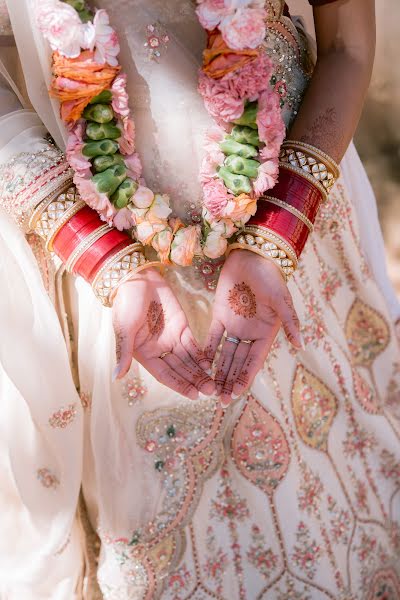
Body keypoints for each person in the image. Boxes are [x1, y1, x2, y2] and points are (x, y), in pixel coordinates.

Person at [0, 0, 399, 598]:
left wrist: (277, 237)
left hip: (295, 221)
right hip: (109, 249)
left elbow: (350, 46)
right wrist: (105, 260)